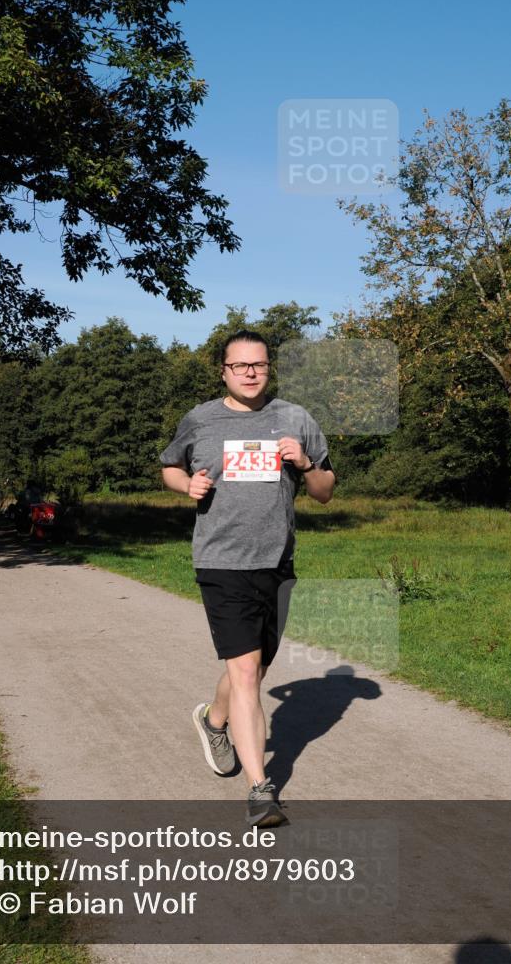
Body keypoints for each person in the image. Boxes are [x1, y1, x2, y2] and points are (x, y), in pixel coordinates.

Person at [159, 329, 336, 826]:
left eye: (259, 365)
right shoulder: (200, 419)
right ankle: (260, 788)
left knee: (253, 670)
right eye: (240, 366)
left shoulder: (295, 418)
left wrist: (303, 463)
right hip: (220, 561)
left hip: (277, 562)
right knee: (244, 673)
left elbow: (324, 489)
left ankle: (213, 721)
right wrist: (186, 484)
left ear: (268, 368)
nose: (251, 373)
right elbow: (170, 467)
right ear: (224, 371)